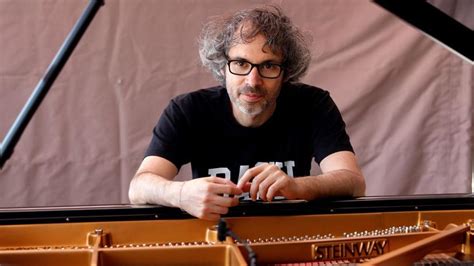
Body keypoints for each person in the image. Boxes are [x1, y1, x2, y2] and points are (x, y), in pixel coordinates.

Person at [129, 5, 365, 221]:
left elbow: (353, 181)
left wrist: (298, 186)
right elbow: (139, 187)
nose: (254, 81)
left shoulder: (313, 104)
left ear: (286, 73)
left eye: (269, 66)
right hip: (216, 241)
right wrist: (180, 193)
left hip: (292, 237)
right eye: (241, 63)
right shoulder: (188, 110)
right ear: (223, 66)